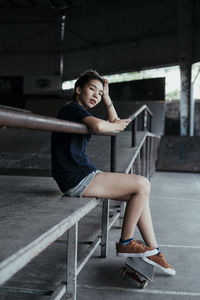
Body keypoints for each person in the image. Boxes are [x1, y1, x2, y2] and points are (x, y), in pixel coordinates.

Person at [51, 70, 176, 276]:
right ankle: (126, 242)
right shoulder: (72, 109)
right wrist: (112, 124)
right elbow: (102, 126)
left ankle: (154, 250)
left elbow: (115, 124)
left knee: (140, 195)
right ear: (78, 89)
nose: (96, 96)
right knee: (142, 184)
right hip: (75, 177)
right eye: (92, 89)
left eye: (99, 93)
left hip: (80, 173)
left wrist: (107, 97)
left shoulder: (82, 111)